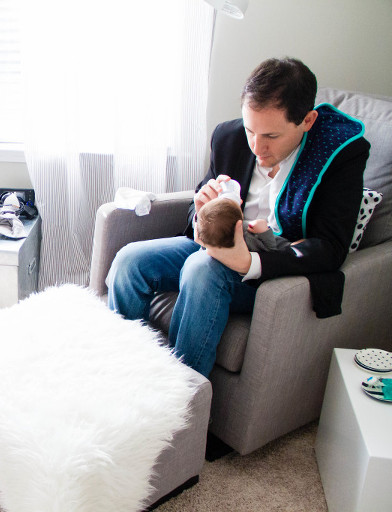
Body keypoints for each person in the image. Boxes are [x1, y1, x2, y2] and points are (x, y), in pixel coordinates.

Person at [106, 57, 370, 377]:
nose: (257, 147)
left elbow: (330, 246)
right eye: (250, 130)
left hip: (271, 264)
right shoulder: (229, 137)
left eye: (271, 136)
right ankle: (121, 377)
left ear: (308, 120)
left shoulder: (341, 155)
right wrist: (202, 211)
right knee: (129, 260)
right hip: (219, 244)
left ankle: (184, 407)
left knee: (202, 269)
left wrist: (250, 263)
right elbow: (196, 207)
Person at [195, 179, 293, 252]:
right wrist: (263, 230)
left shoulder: (210, 238)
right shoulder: (247, 237)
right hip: (283, 248)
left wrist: (199, 217)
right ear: (240, 219)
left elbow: (203, 245)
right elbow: (271, 248)